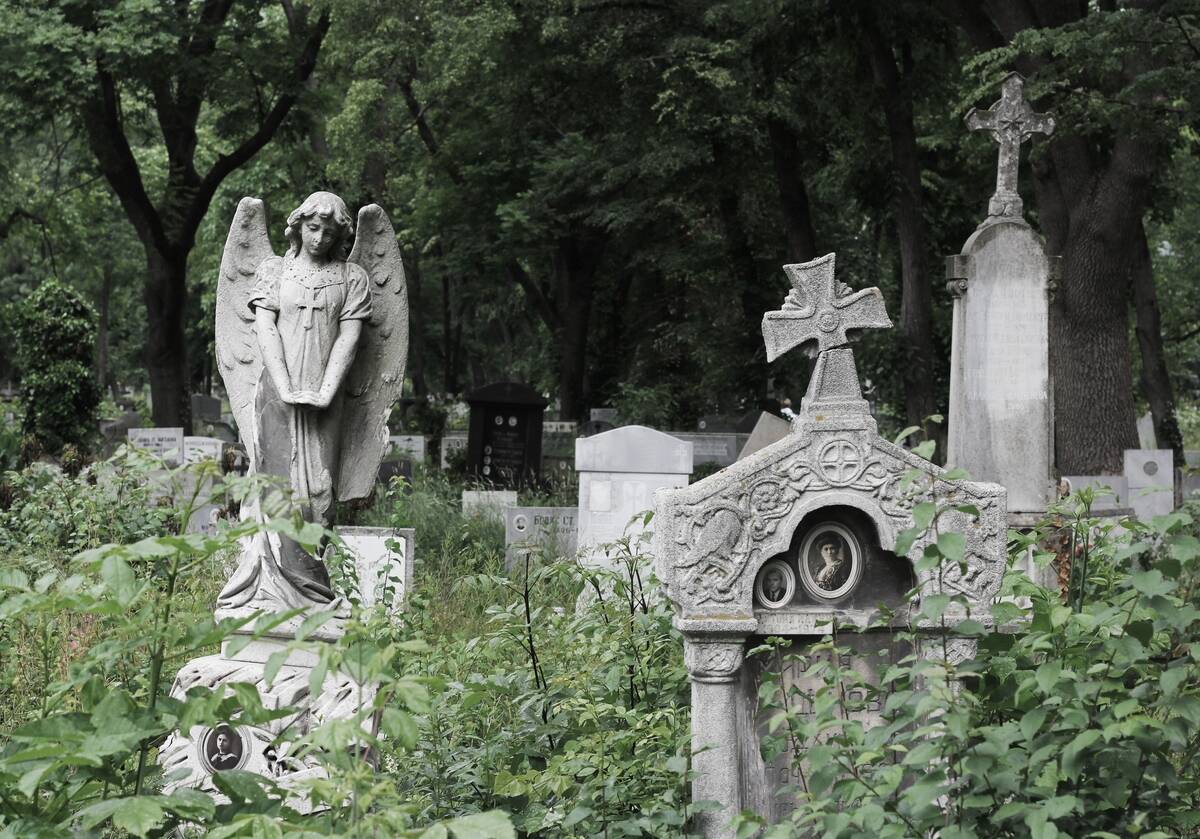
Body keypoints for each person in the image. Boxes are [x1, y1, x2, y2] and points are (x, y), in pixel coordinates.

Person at [218, 192, 372, 608]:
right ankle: (271, 597)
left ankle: (313, 598)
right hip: (277, 397)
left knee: (320, 496)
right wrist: (285, 388)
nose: (320, 237)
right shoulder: (274, 270)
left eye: (329, 231)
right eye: (312, 227)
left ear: (341, 234)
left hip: (326, 401)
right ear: (298, 227)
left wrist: (325, 392)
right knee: (276, 492)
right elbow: (264, 330)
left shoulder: (352, 277)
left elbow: (350, 339)